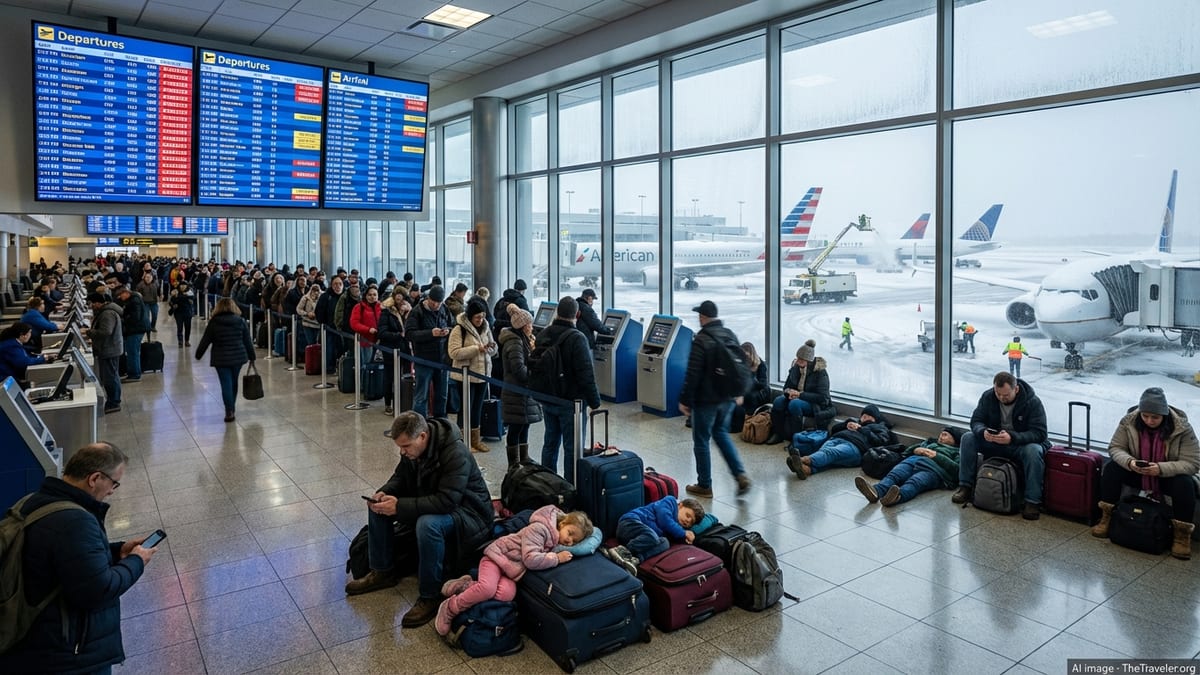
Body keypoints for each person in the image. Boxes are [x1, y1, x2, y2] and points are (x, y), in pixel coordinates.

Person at [0, 442, 158, 674]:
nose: (113, 491)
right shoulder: (76, 521)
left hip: (33, 640)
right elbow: (99, 590)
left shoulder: (33, 501)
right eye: (114, 483)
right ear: (94, 478)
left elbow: (65, 559)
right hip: (69, 655)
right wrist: (136, 561)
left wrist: (117, 551)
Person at [345, 413, 495, 629]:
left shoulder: (455, 452)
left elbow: (447, 502)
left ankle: (430, 595)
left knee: (428, 524)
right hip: (438, 503)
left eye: (406, 446)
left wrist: (399, 506)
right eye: (400, 447)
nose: (402, 452)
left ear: (423, 436)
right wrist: (384, 493)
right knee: (378, 507)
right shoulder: (413, 450)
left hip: (471, 515)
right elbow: (400, 478)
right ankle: (382, 571)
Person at [434, 505, 592, 636]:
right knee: (488, 589)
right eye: (570, 533)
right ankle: (450, 608)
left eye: (574, 541)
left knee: (505, 595)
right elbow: (531, 560)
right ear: (562, 523)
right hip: (496, 558)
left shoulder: (554, 540)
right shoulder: (540, 529)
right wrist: (557, 558)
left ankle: (467, 586)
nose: (569, 540)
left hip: (510, 570)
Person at [1092, 387, 1198, 559]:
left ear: (1164, 415)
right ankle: (1106, 518)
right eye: (1145, 416)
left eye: (1155, 417)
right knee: (1112, 469)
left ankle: (1182, 535)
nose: (1149, 421)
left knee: (1185, 484)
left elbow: (1192, 463)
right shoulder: (1129, 422)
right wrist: (1130, 462)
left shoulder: (1182, 428)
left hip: (1165, 475)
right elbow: (1116, 447)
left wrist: (1161, 469)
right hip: (1138, 470)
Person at [951, 371, 1050, 520]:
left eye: (1006, 395)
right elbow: (976, 421)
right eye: (998, 394)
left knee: (1033, 450)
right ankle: (965, 486)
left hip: (1018, 445)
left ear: (1016, 389)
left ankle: (1032, 501)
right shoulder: (988, 397)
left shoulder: (1032, 402)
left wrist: (1012, 438)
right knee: (968, 438)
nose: (1002, 398)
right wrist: (982, 431)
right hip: (994, 441)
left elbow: (1040, 433)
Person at [678, 300, 752, 498]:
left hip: (707, 400)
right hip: (727, 398)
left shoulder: (701, 339)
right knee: (721, 433)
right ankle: (740, 474)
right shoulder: (729, 334)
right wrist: (739, 392)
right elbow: (741, 366)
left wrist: (685, 399)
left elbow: (693, 373)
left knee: (701, 440)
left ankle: (704, 485)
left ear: (703, 317)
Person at [537, 296, 601, 480]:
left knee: (550, 443)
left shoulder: (544, 334)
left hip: (548, 399)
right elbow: (586, 374)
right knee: (572, 448)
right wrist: (595, 401)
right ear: (577, 314)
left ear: (558, 312)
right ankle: (570, 488)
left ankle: (547, 482)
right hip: (572, 404)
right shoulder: (577, 338)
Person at [855, 427, 963, 506]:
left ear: (954, 440)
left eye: (945, 435)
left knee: (915, 482)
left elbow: (956, 470)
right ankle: (876, 491)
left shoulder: (956, 452)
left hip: (933, 469)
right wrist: (916, 450)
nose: (941, 437)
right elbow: (907, 451)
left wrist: (936, 456)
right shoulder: (929, 443)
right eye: (941, 434)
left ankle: (897, 497)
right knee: (894, 475)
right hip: (913, 460)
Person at [786, 404, 897, 479]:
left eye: (869, 416)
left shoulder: (879, 428)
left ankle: (802, 460)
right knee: (828, 455)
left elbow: (879, 441)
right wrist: (846, 424)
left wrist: (861, 429)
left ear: (875, 419)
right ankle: (806, 470)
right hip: (836, 438)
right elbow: (833, 430)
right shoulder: (854, 422)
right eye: (863, 415)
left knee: (830, 453)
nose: (865, 418)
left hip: (856, 447)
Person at [604, 495, 704, 575]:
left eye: (690, 523)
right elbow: (664, 520)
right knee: (652, 536)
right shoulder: (669, 502)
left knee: (665, 543)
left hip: (641, 540)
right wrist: (683, 533)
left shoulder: (676, 528)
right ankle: (622, 551)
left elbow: (673, 536)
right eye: (687, 515)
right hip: (629, 524)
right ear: (680, 505)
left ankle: (635, 559)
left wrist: (687, 538)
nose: (687, 521)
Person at [448, 298, 498, 453]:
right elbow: (454, 352)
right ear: (470, 316)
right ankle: (463, 441)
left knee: (477, 408)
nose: (480, 320)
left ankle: (476, 440)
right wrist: (477, 349)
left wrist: (490, 349)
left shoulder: (486, 326)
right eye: (477, 317)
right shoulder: (459, 329)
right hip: (465, 375)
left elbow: (493, 347)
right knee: (465, 408)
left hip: (483, 374)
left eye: (482, 316)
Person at [194, 297, 256, 423]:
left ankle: (229, 410)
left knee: (225, 383)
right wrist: (252, 356)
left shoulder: (214, 322)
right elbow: (247, 340)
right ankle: (231, 407)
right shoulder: (240, 321)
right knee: (233, 383)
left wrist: (198, 354)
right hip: (238, 356)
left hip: (220, 357)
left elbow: (205, 340)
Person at [766, 339, 835, 445]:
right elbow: (786, 386)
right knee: (778, 401)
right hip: (797, 397)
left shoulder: (820, 372)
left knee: (795, 404)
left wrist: (800, 395)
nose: (798, 362)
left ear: (809, 361)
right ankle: (778, 433)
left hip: (814, 404)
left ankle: (796, 438)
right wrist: (789, 393)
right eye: (798, 358)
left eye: (801, 360)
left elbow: (822, 397)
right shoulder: (796, 368)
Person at [498, 304, 542, 468]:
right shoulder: (514, 343)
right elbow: (519, 369)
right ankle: (514, 462)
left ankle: (524, 457)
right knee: (516, 428)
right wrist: (534, 376)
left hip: (522, 392)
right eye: (529, 324)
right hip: (515, 392)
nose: (532, 327)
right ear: (523, 326)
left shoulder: (523, 340)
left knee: (525, 425)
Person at [406, 285, 454, 418]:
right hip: (423, 360)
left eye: (439, 302)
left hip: (442, 360)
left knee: (442, 395)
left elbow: (453, 324)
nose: (436, 305)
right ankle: (419, 424)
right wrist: (430, 333)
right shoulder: (417, 311)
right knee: (421, 396)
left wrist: (447, 331)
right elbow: (409, 334)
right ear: (428, 298)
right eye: (433, 301)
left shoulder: (444, 309)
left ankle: (441, 423)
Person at [376, 287, 412, 416]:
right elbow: (382, 332)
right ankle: (388, 404)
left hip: (405, 349)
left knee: (405, 377)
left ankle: (403, 402)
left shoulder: (409, 311)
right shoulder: (386, 311)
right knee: (389, 377)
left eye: (402, 295)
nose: (399, 297)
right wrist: (399, 335)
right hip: (390, 349)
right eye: (397, 294)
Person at [87, 291, 124, 414]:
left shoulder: (107, 314)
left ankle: (114, 402)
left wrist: (90, 332)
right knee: (112, 375)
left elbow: (106, 331)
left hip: (109, 349)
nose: (91, 306)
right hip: (109, 348)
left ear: (98, 303)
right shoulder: (105, 312)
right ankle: (114, 399)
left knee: (110, 376)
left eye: (92, 303)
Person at [730, 341, 772, 432]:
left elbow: (763, 384)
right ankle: (736, 425)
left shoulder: (760, 364)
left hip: (760, 392)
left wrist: (750, 377)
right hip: (747, 390)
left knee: (746, 397)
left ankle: (747, 419)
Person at [114, 286, 149, 382]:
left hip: (136, 330)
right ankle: (133, 372)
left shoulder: (134, 301)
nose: (121, 299)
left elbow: (135, 317)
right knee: (133, 351)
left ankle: (134, 374)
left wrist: (125, 320)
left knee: (132, 352)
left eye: (121, 296)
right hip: (136, 329)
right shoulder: (133, 299)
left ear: (125, 293)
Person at [350, 285, 383, 366]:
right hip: (365, 341)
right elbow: (354, 323)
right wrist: (368, 329)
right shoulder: (359, 307)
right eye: (370, 295)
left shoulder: (382, 307)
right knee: (365, 365)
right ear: (366, 295)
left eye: (375, 295)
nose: (372, 297)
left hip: (380, 341)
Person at [167, 281, 196, 347]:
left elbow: (193, 300)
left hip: (187, 313)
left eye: (184, 285)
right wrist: (173, 305)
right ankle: (180, 341)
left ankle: (187, 341)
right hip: (178, 313)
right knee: (179, 327)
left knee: (188, 327)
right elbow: (171, 302)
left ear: (187, 286)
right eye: (181, 285)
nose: (182, 286)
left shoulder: (190, 293)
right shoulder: (175, 293)